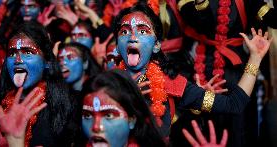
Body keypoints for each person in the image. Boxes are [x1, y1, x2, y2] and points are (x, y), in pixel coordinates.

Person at [113, 3, 272, 139]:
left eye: (142, 31)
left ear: (156, 45)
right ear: (117, 45)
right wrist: (124, 99)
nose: (132, 37)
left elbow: (234, 104)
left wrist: (255, 58)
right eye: (125, 31)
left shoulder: (174, 85)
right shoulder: (105, 84)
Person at [0, 21, 76, 146]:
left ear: (47, 62)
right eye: (12, 53)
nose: (18, 60)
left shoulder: (69, 102)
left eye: (27, 52)